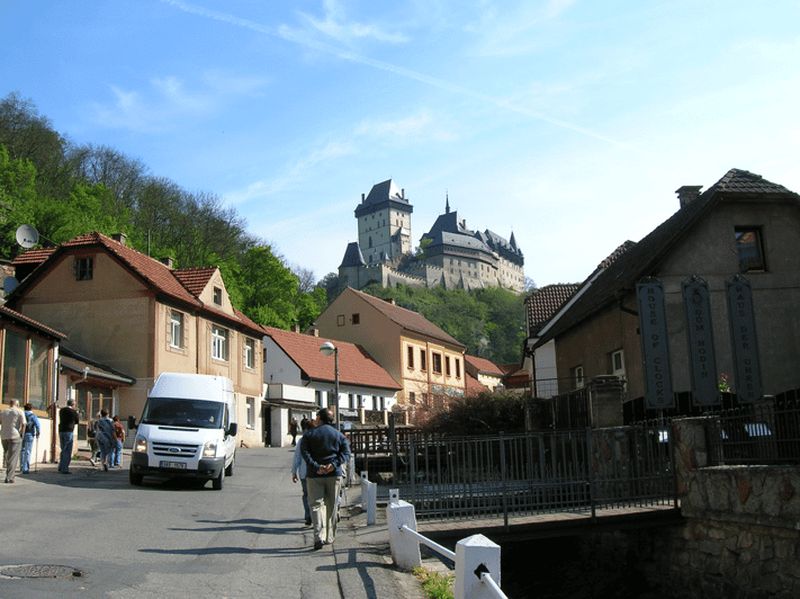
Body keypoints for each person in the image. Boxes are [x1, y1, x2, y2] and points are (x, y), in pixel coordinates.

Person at [301, 408, 350, 550]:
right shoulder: (339, 435)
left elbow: (305, 453)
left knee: (316, 506)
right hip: (334, 474)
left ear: (320, 418)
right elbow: (346, 453)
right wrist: (333, 465)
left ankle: (318, 537)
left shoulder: (309, 435)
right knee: (331, 506)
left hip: (314, 475)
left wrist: (316, 466)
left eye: (316, 417)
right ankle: (329, 536)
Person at [291, 417, 314, 526]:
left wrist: (294, 472)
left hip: (304, 473)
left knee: (306, 494)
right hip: (316, 472)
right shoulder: (317, 438)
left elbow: (297, 457)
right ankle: (315, 516)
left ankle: (308, 516)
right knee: (316, 495)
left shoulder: (302, 440)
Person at [1, 399, 26, 483]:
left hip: (4, 436)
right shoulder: (19, 411)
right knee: (13, 457)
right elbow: (24, 424)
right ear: (17, 404)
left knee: (8, 456)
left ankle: (9, 474)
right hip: (15, 435)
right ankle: (9, 477)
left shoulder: (3, 412)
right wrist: (22, 434)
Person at [58, 398, 80, 474]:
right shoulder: (73, 412)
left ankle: (61, 466)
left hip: (61, 430)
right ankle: (65, 468)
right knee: (67, 450)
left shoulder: (61, 410)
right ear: (73, 404)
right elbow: (77, 421)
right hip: (69, 431)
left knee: (63, 449)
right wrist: (77, 413)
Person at [20, 403, 41, 474]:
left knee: (22, 450)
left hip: (21, 434)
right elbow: (37, 425)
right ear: (31, 408)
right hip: (29, 434)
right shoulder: (33, 416)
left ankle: (22, 466)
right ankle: (25, 469)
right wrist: (38, 432)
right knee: (27, 451)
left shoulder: (22, 414)